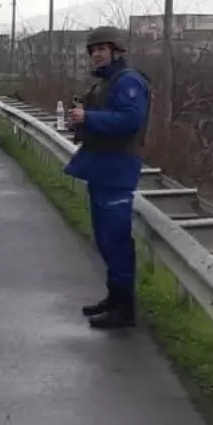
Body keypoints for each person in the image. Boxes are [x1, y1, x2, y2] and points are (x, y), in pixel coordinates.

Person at [65, 26, 150, 330]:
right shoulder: (105, 83)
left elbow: (130, 119)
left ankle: (125, 309)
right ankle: (114, 298)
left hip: (118, 168)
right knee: (104, 237)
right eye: (93, 50)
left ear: (116, 51)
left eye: (102, 49)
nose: (97, 54)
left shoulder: (128, 81)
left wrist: (89, 118)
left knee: (115, 239)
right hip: (101, 166)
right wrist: (81, 120)